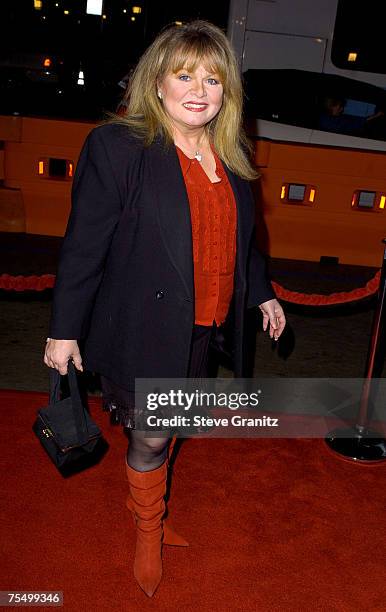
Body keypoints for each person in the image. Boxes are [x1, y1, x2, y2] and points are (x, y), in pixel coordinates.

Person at [44, 20, 286, 597]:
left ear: (228, 91)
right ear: (157, 82)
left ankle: (149, 508)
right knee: (152, 435)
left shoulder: (231, 154)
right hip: (142, 324)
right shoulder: (119, 147)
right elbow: (84, 245)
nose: (199, 90)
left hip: (203, 325)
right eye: (184, 75)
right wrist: (63, 331)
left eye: (213, 78)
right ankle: (148, 529)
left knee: (177, 421)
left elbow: (241, 239)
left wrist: (264, 291)